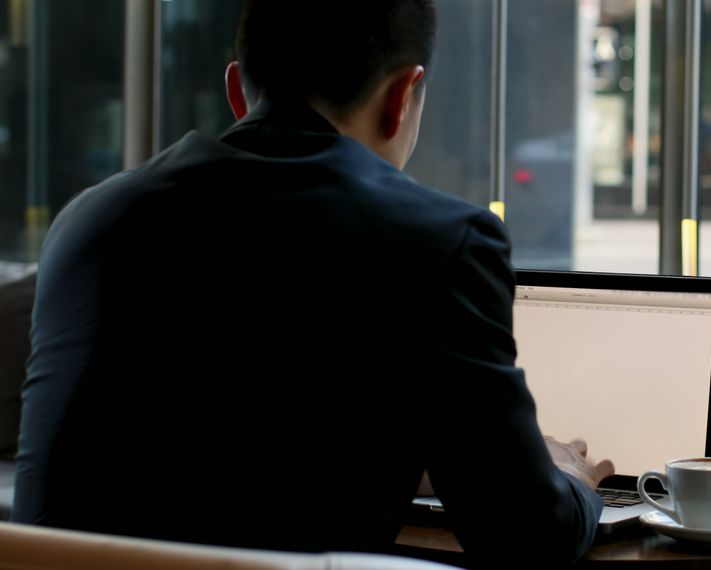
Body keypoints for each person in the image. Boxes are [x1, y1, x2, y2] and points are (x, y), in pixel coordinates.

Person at [14, 1, 613, 566]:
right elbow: (528, 541)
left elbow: (216, 443)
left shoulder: (88, 221)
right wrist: (568, 479)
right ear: (401, 97)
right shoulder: (442, 242)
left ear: (236, 93)